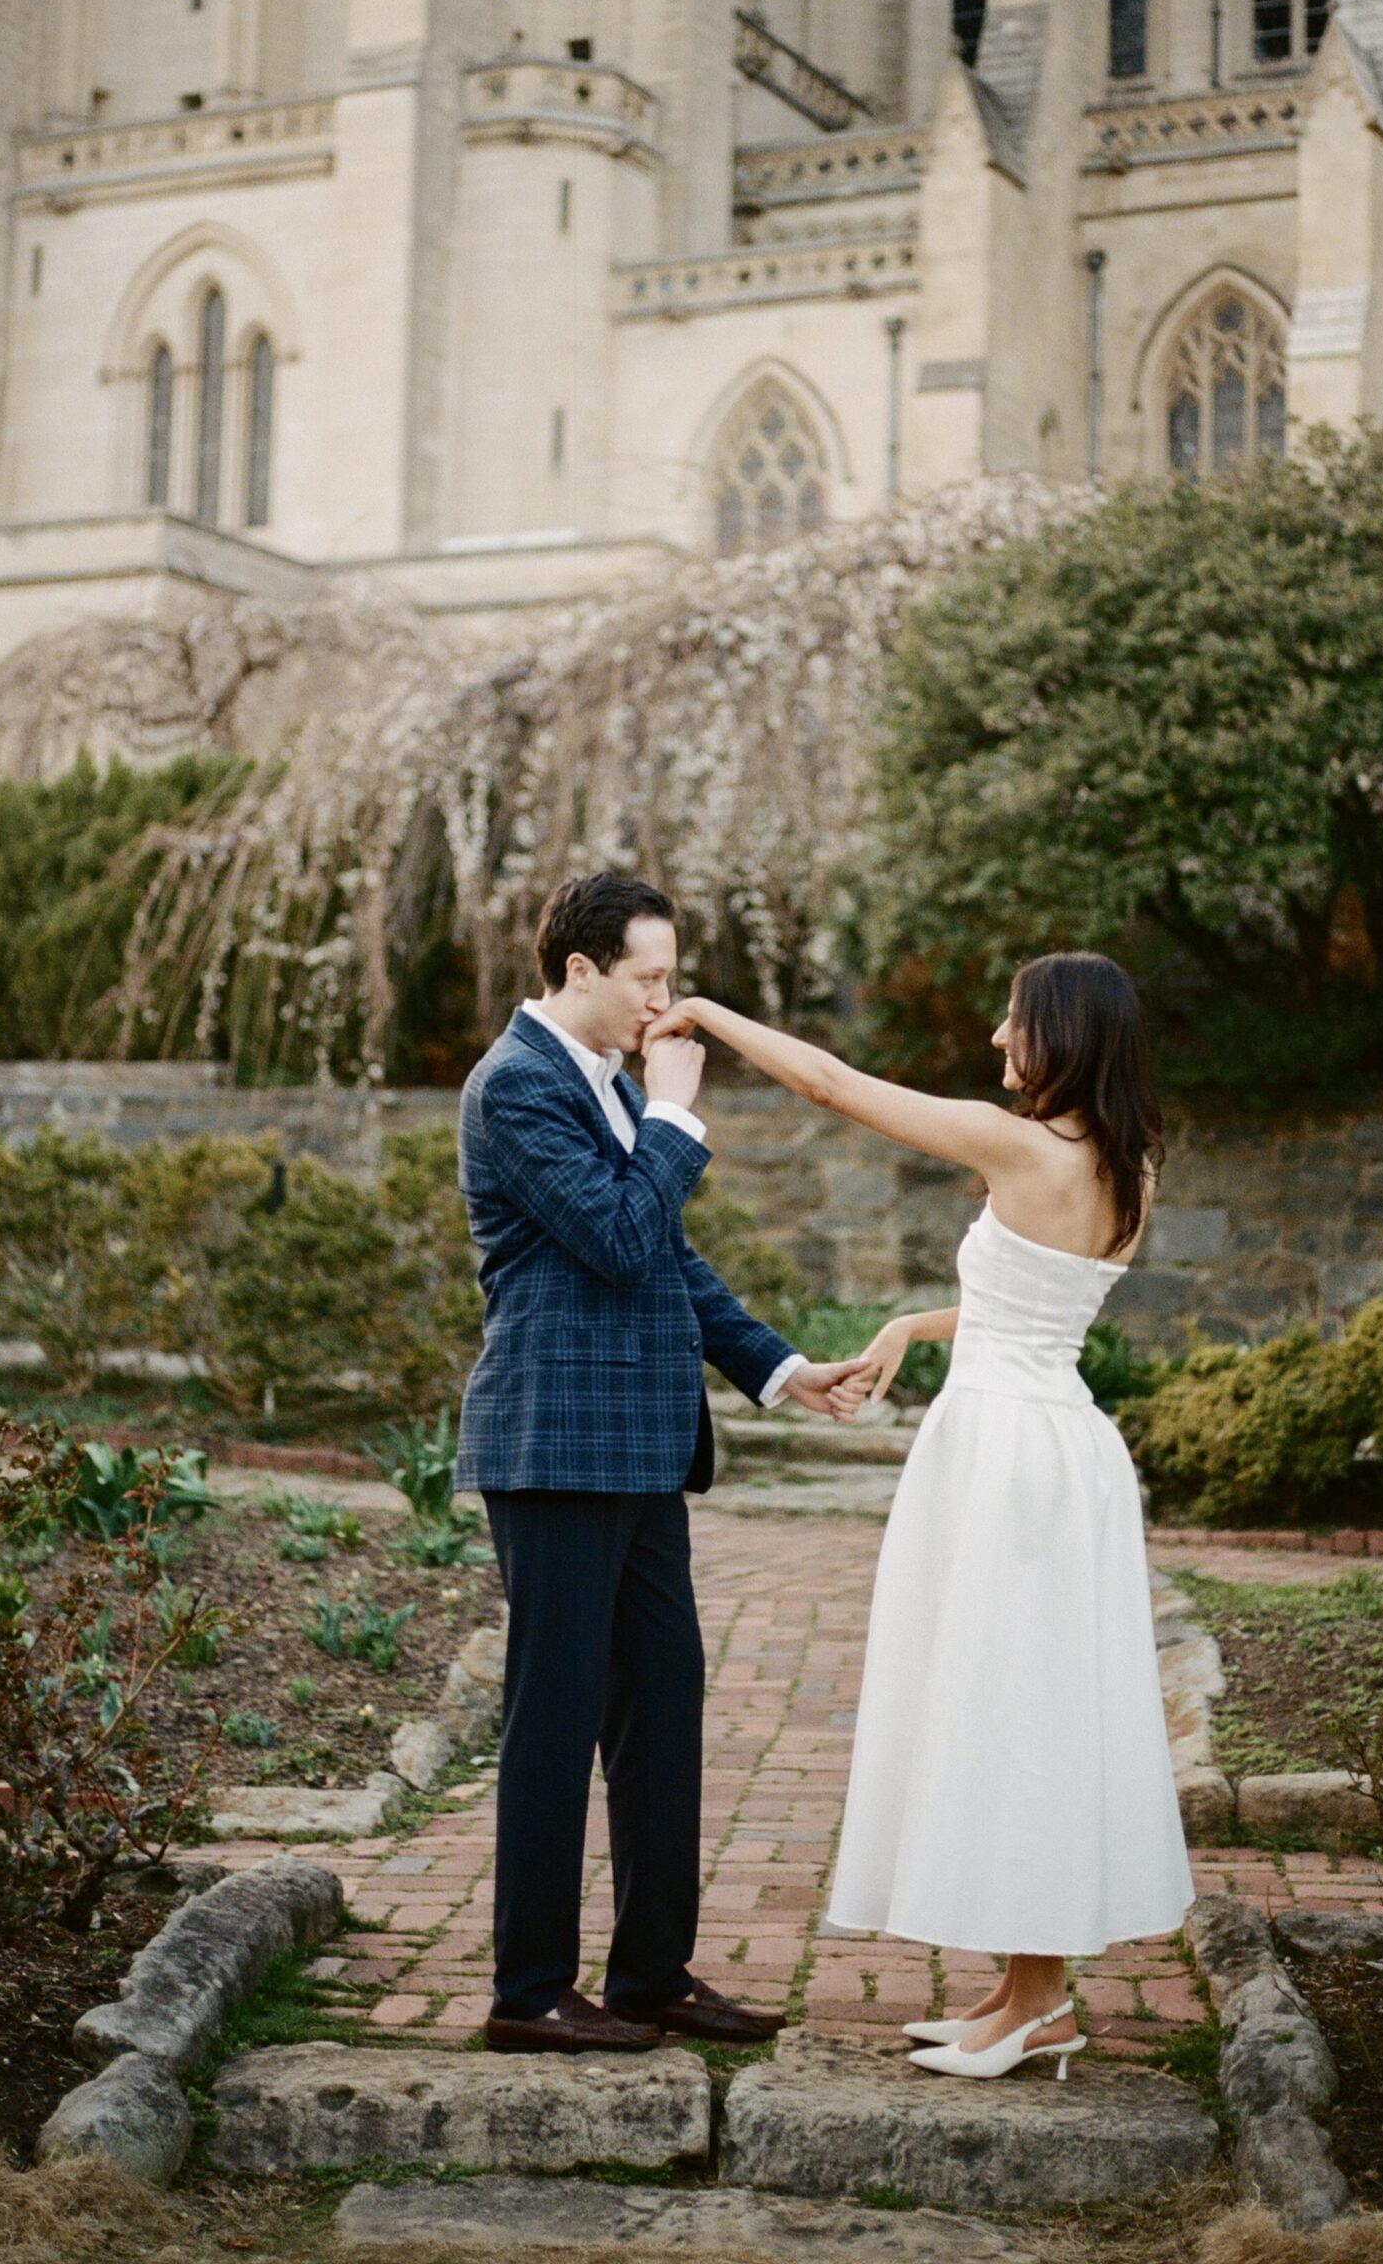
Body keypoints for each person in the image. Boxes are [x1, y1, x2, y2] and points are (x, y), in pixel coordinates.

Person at [643, 951, 1194, 2082]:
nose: (997, 1040)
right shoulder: (1124, 1164)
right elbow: (1033, 1302)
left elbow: (834, 1087)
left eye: (1012, 1022)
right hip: (1057, 1439)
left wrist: (704, 1013)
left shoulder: (1020, 1146)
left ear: (1064, 1036)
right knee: (1021, 1698)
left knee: (1012, 1706)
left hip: (1004, 1455)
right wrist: (910, 1323)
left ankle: (1038, 2000)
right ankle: (1016, 1991)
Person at [454, 873, 868, 2055]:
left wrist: (784, 1370)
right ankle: (527, 1992)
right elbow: (619, 1230)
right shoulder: (516, 1086)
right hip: (555, 1447)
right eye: (648, 976)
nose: (663, 999)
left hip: (638, 1450)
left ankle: (650, 1975)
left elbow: (666, 1267)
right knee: (554, 1715)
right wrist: (678, 1116)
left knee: (662, 1706)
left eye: (670, 976)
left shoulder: (602, 1083)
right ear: (579, 972)